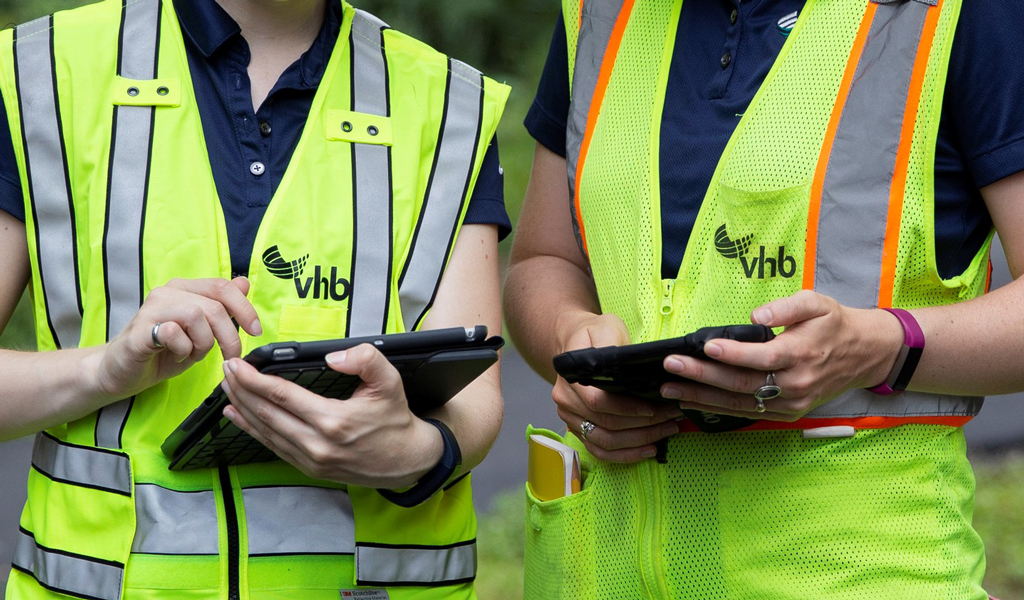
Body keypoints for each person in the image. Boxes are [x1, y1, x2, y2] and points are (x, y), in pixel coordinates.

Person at [505, 0, 1024, 598]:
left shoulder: (963, 16)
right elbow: (545, 261)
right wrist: (570, 341)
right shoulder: (599, 13)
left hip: (855, 572)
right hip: (600, 573)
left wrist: (880, 347)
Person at [0, 0, 509, 598]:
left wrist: (416, 451)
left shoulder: (451, 105)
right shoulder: (42, 72)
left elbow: (475, 397)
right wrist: (105, 369)